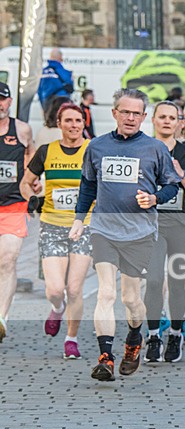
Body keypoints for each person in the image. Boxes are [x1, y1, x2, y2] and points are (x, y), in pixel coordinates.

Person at [69, 88, 180, 381]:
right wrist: (79, 219)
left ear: (144, 117)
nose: (131, 118)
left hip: (139, 234)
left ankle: (134, 336)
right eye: (125, 112)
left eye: (136, 113)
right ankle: (105, 356)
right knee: (105, 292)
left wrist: (155, 198)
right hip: (104, 230)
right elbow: (88, 186)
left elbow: (172, 186)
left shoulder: (155, 148)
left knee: (131, 299)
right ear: (115, 113)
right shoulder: (97, 146)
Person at [19, 102, 91, 358]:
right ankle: (57, 308)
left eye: (78, 121)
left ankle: (71, 339)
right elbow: (26, 183)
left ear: (84, 124)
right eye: (68, 121)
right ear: (59, 124)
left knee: (74, 288)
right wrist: (32, 199)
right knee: (54, 289)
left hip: (84, 226)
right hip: (52, 224)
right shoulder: (46, 151)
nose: (73, 125)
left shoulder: (92, 151)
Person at [142, 101, 185, 364]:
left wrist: (180, 174)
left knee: (178, 281)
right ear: (154, 120)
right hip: (153, 225)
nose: (167, 121)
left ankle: (176, 333)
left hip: (182, 225)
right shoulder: (144, 150)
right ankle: (154, 335)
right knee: (155, 280)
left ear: (179, 122)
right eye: (162, 117)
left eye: (172, 118)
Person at [0, 81, 35, 342]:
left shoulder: (21, 130)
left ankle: (1, 318)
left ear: (9, 102)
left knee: (8, 259)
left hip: (13, 204)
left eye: (2, 99)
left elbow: (31, 161)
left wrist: (34, 186)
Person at [38, 48, 74, 112]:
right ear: (60, 58)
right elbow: (70, 86)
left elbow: (39, 91)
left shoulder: (42, 72)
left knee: (49, 121)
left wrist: (43, 107)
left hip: (47, 102)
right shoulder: (64, 72)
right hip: (61, 101)